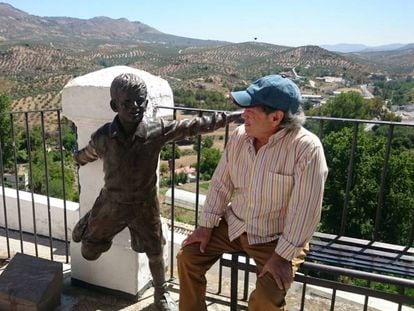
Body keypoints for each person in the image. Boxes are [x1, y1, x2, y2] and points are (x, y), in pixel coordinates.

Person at [71, 72, 242, 311]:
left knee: (155, 252)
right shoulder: (104, 136)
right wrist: (77, 158)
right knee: (89, 253)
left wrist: (232, 117)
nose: (135, 107)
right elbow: (89, 152)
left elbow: (193, 126)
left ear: (147, 102)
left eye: (140, 101)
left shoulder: (156, 130)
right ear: (114, 105)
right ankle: (88, 221)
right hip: (112, 203)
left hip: (144, 205)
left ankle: (161, 294)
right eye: (128, 102)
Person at [177, 74, 328, 311]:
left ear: (276, 117)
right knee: (188, 257)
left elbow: (305, 210)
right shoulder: (240, 137)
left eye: (251, 110)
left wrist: (282, 257)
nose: (243, 114)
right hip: (235, 224)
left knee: (267, 298)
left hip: (276, 237)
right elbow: (220, 184)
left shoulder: (306, 148)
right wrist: (206, 227)